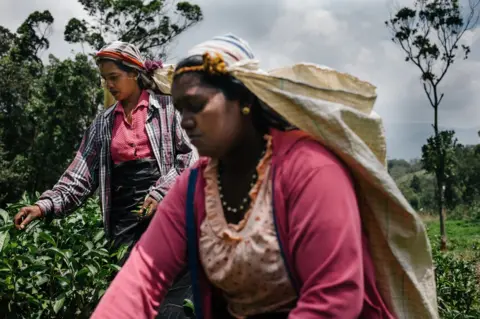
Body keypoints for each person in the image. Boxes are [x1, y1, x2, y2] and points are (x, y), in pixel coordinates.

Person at [92, 35, 437, 318]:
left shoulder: (311, 172)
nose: (184, 120)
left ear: (242, 100)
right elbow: (142, 277)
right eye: (180, 109)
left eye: (197, 105)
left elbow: (333, 299)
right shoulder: (194, 187)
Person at [14, 41, 197, 318]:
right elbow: (81, 174)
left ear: (134, 73)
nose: (109, 85)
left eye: (114, 77)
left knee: (173, 302)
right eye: (105, 79)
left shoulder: (168, 109)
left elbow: (188, 158)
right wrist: (43, 206)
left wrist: (161, 193)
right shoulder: (103, 123)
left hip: (167, 217)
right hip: (123, 224)